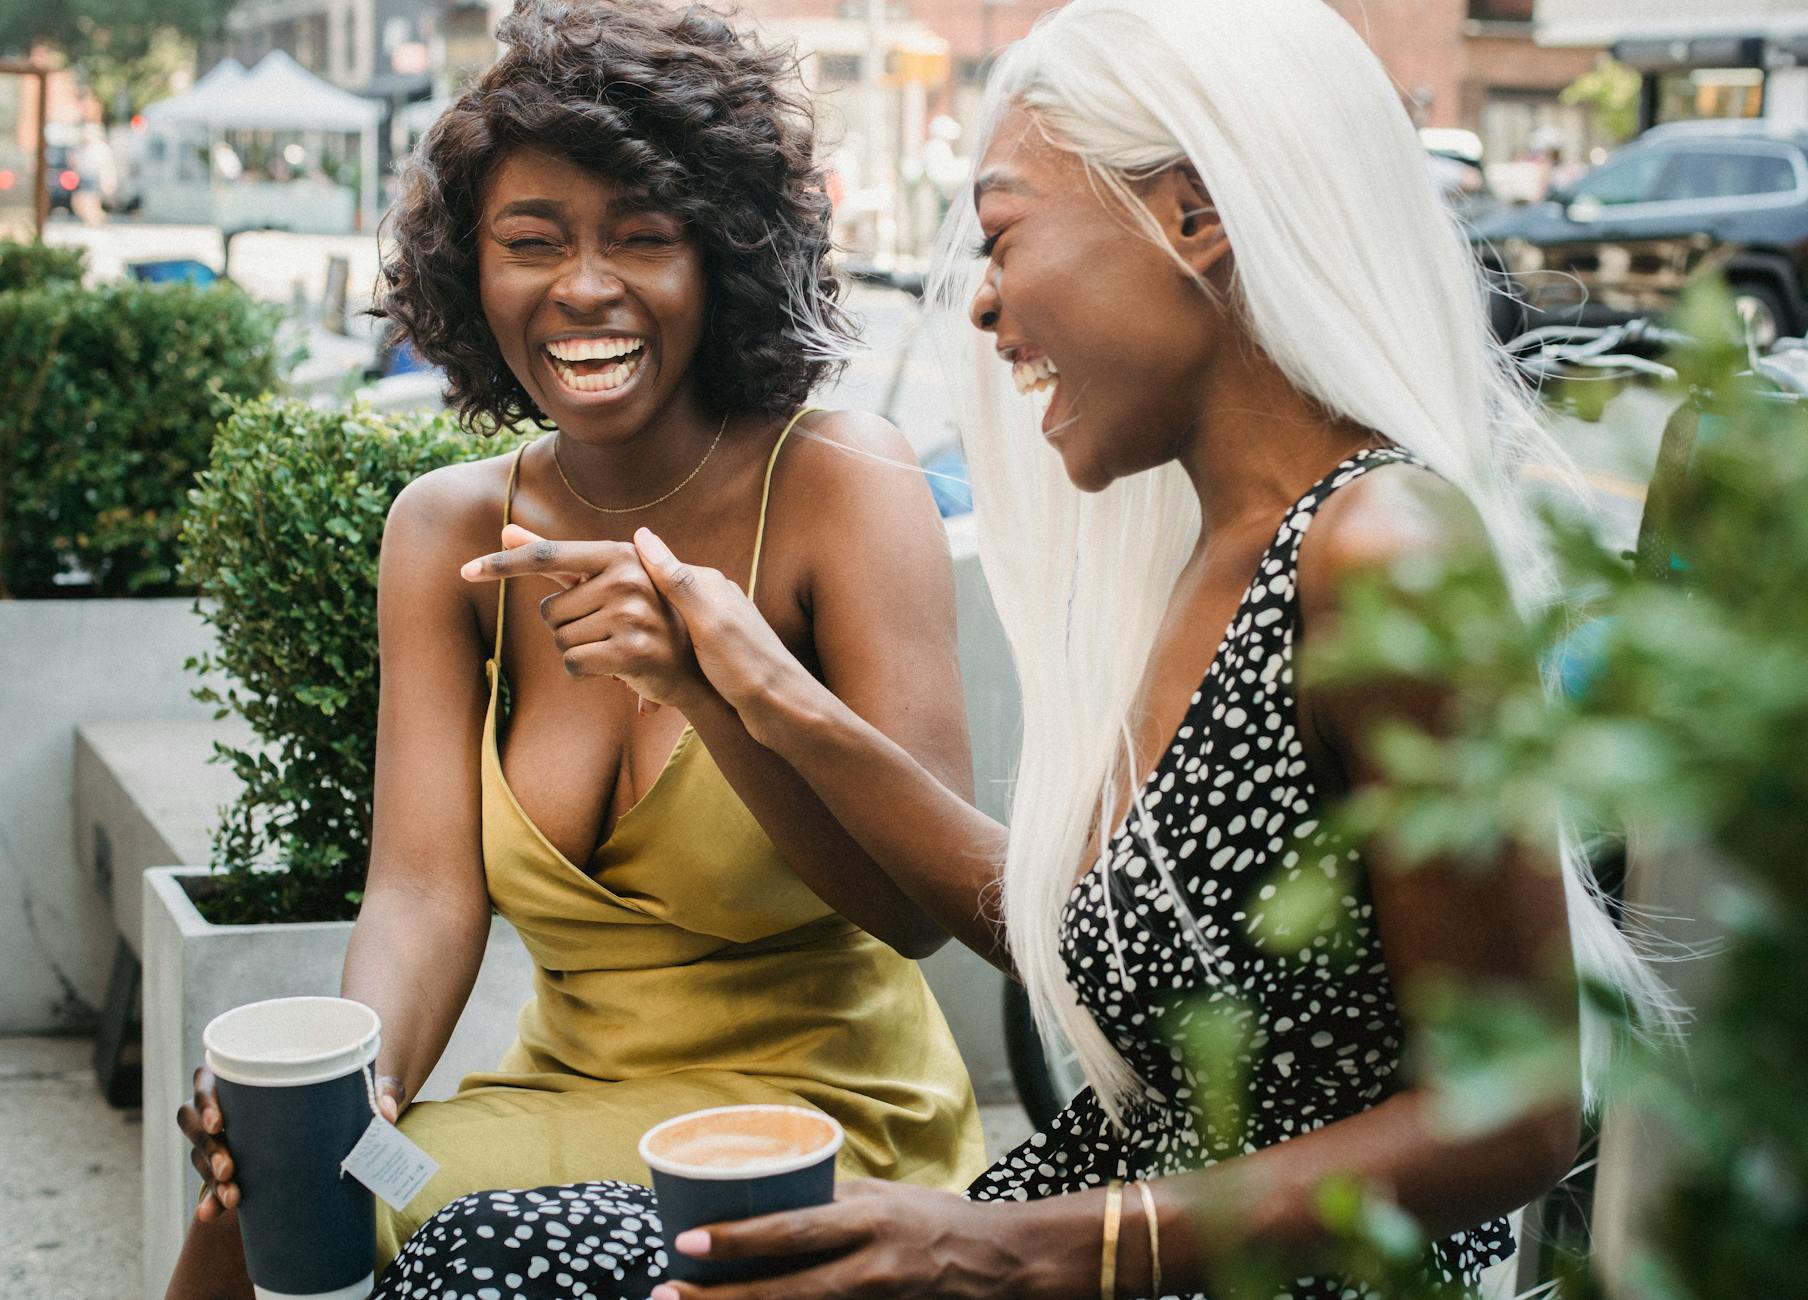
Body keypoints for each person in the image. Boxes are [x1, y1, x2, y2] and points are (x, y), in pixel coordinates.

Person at [378, 0, 1678, 1296]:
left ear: (1191, 215)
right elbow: (1063, 931)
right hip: (1071, 1229)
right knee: (481, 1246)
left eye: (1000, 237)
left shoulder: (1382, 549)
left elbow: (1514, 1115)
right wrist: (752, 688)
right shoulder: (1210, 554)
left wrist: (1003, 1245)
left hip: (1234, 1266)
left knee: (494, 1263)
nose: (985, 309)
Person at [165, 3, 987, 1295]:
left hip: (809, 1123)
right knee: (256, 1207)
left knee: (468, 1263)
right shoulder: (445, 533)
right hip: (562, 1092)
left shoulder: (841, 483)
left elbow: (914, 909)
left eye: (643, 238)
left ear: (723, 257)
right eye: (529, 243)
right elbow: (424, 895)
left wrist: (717, 694)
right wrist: (354, 1084)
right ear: (470, 271)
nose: (583, 287)